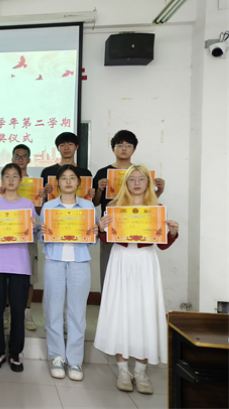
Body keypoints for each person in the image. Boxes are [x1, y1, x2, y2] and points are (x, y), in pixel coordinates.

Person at [95, 164, 179, 395]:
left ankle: (141, 371)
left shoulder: (156, 208)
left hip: (145, 262)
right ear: (125, 183)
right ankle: (123, 370)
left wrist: (172, 233)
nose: (137, 183)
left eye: (141, 179)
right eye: (132, 179)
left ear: (148, 183)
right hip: (120, 260)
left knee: (145, 312)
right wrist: (101, 228)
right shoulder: (114, 207)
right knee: (120, 311)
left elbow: (162, 244)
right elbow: (106, 239)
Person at [41, 165, 98, 381]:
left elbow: (91, 240)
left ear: (78, 183)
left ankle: (75, 361)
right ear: (57, 182)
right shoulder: (49, 206)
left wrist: (94, 232)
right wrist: (43, 232)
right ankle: (57, 357)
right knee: (53, 311)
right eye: (63, 178)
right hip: (54, 261)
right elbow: (42, 238)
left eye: (72, 178)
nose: (67, 181)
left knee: (77, 313)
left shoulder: (88, 206)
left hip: (79, 262)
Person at [92, 130, 166, 291]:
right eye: (119, 145)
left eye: (128, 145)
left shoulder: (140, 172)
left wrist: (159, 191)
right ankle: (109, 301)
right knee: (109, 270)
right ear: (113, 149)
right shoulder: (102, 173)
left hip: (137, 228)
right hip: (112, 227)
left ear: (134, 149)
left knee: (136, 276)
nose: (124, 148)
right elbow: (95, 203)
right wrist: (99, 189)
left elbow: (149, 202)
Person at [0, 163, 37, 373]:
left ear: (20, 180)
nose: (11, 179)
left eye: (15, 176)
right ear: (2, 180)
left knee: (17, 311)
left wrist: (33, 227)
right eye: (7, 176)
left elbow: (32, 236)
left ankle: (15, 353)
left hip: (20, 264)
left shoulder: (28, 204)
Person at [0, 144, 40, 331]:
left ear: (29, 160)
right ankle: (7, 311)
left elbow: (38, 214)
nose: (20, 159)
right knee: (7, 277)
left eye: (24, 156)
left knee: (29, 276)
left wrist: (41, 199)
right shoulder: (2, 185)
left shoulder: (36, 185)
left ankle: (26, 312)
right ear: (12, 159)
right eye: (17, 156)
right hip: (5, 239)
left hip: (27, 238)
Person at [40, 132, 94, 199]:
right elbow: (43, 198)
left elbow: (91, 200)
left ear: (76, 147)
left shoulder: (86, 173)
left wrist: (91, 195)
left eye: (70, 144)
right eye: (62, 145)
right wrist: (44, 194)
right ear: (58, 148)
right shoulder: (47, 172)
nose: (66, 148)